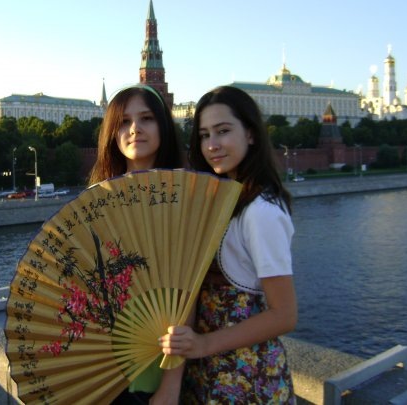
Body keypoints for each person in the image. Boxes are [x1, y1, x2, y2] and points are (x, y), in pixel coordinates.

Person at [158, 85, 298, 404]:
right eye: (204, 135)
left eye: (223, 131)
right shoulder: (225, 201)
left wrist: (203, 345)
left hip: (248, 382)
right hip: (211, 375)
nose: (212, 145)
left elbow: (285, 315)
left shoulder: (261, 211)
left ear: (250, 134)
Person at [88, 84, 184, 404]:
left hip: (153, 373)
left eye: (146, 118)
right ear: (111, 134)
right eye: (124, 122)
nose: (135, 129)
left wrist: (171, 385)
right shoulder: (95, 201)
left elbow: (187, 297)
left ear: (164, 126)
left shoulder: (185, 200)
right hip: (101, 372)